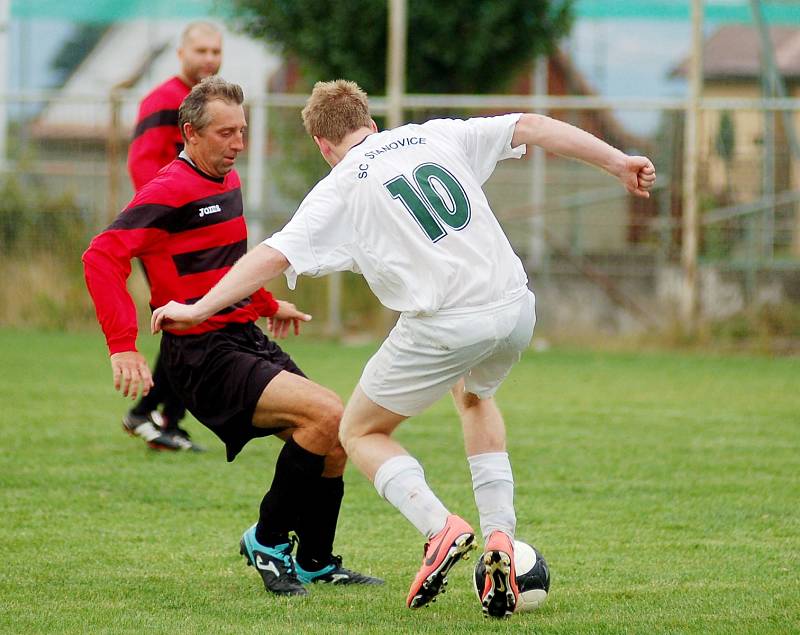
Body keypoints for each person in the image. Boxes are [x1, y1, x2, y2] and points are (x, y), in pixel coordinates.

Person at [151, 79, 656, 617]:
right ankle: (500, 537)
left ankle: (440, 528)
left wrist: (199, 307)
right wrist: (617, 161)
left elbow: (271, 255)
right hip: (515, 308)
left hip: (446, 321)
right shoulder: (434, 135)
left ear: (323, 145)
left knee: (358, 430)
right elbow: (530, 125)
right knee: (474, 397)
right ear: (369, 120)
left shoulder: (342, 181)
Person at [84, 76, 383, 597]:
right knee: (328, 414)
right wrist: (124, 345)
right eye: (225, 133)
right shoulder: (168, 190)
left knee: (336, 434)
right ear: (190, 134)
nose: (238, 144)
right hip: (200, 354)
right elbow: (101, 255)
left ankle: (313, 559)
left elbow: (224, 267)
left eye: (242, 131)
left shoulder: (227, 180)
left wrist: (267, 302)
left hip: (241, 333)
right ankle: (267, 541)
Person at [122, 21, 224, 451]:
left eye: (216, 51)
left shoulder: (207, 104)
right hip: (166, 238)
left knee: (196, 321)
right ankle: (146, 411)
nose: (209, 59)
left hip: (194, 237)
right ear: (181, 54)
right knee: (188, 322)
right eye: (200, 50)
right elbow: (142, 168)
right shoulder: (164, 100)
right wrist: (174, 220)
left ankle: (166, 418)